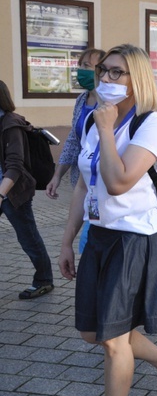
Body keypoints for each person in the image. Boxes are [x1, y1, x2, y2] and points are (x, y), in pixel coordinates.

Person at [58, 44, 157, 396]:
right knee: (92, 331)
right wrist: (68, 239)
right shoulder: (92, 119)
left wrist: (106, 128)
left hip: (135, 238)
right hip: (99, 234)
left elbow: (118, 182)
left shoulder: (150, 123)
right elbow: (85, 184)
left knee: (114, 341)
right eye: (104, 70)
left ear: (138, 79)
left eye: (116, 72)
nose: (105, 78)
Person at [46, 48, 106, 254]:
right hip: (83, 185)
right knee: (90, 234)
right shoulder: (82, 100)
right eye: (80, 65)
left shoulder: (110, 102)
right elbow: (74, 139)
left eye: (87, 66)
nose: (81, 71)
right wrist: (57, 175)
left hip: (103, 184)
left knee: (90, 238)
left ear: (102, 69)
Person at [0, 80, 55, 300]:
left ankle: (44, 280)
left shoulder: (11, 124)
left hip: (13, 191)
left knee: (28, 236)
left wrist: (1, 194)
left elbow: (15, 165)